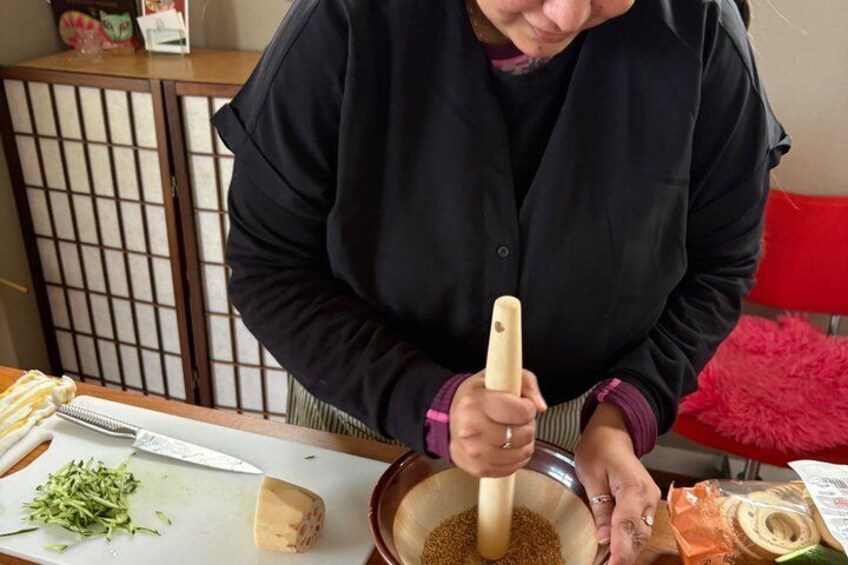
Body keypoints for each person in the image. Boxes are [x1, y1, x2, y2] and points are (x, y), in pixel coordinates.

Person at [212, 0, 789, 562]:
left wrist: (625, 410)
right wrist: (425, 403)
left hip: (573, 424)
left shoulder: (700, 26)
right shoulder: (346, 18)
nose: (566, 15)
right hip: (358, 414)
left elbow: (720, 264)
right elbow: (271, 268)